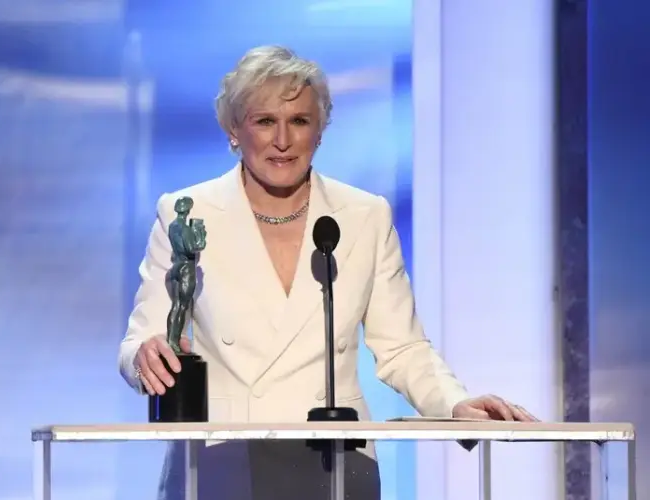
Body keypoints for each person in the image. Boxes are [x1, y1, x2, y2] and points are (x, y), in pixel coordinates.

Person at [119, 45, 537, 500]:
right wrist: (146, 358)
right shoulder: (187, 214)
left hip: (334, 463)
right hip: (222, 463)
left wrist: (454, 404)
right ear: (233, 130)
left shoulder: (363, 216)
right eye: (264, 122)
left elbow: (403, 348)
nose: (283, 140)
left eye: (299, 121)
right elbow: (142, 340)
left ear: (320, 130)